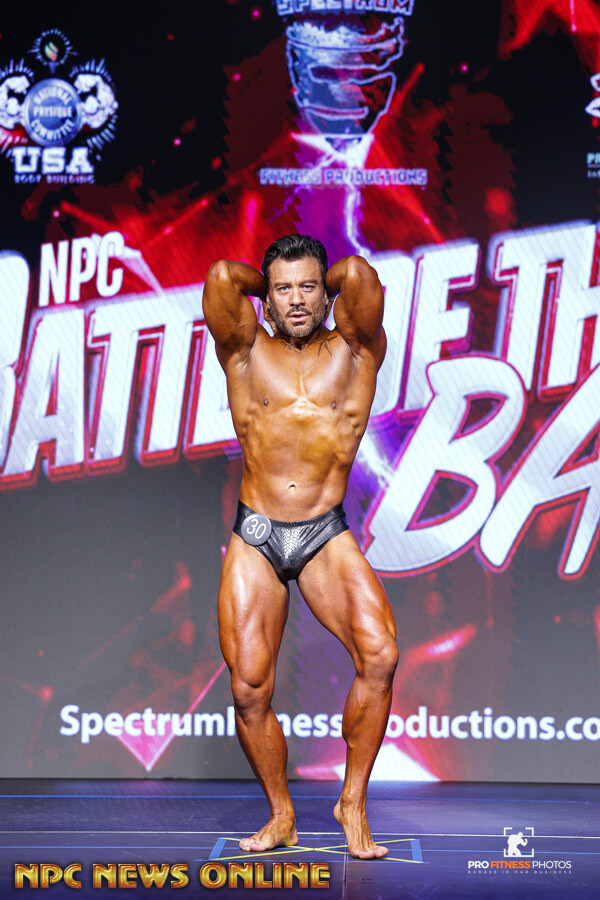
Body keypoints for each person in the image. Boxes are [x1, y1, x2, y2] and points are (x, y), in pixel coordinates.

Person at [202, 234, 398, 860]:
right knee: (248, 689)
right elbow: (222, 277)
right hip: (258, 533)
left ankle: (352, 802)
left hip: (322, 532)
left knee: (380, 654)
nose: (295, 300)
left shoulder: (357, 350)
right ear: (266, 297)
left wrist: (325, 279)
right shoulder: (244, 350)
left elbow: (360, 275)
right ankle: (281, 815)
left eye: (308, 287)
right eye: (282, 289)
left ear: (326, 293)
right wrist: (269, 283)